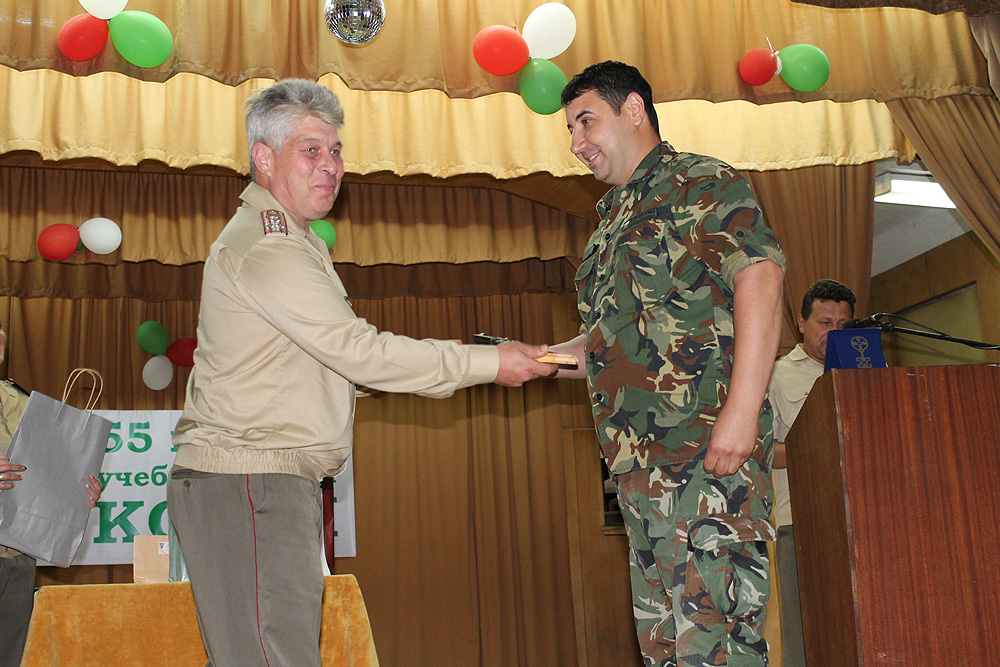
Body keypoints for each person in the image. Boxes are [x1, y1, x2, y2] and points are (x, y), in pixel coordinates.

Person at [166, 79, 557, 667]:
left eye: (336, 150)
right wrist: (489, 362)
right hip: (250, 481)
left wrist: (475, 358)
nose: (331, 166)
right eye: (311, 150)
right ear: (263, 159)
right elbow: (358, 352)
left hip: (261, 481)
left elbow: (337, 363)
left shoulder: (293, 242)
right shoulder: (270, 247)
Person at [551, 61, 786, 666]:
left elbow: (760, 278)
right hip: (640, 472)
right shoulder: (609, 224)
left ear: (633, 109)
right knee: (667, 651)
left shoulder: (698, 182)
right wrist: (532, 358)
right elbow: (604, 344)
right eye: (570, 129)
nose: (576, 143)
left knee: (717, 646)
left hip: (706, 458)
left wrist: (742, 412)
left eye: (585, 121)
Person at [0, 321, 102, 667]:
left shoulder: (20, 400)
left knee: (12, 654)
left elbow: (48, 470)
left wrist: (78, 491)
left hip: (17, 553)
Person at [767, 279, 856, 666]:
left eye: (843, 324)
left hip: (863, 521)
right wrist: (820, 452)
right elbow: (761, 451)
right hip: (801, 523)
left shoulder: (866, 372)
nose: (834, 332)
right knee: (806, 634)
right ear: (802, 323)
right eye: (825, 323)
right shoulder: (775, 376)